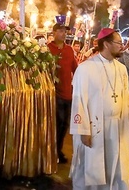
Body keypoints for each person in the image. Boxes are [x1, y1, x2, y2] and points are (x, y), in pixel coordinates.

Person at [69, 28, 129, 189]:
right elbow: (79, 101)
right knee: (93, 167)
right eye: (118, 43)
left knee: (115, 166)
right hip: (95, 127)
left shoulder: (121, 69)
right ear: (106, 44)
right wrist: (83, 131)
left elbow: (126, 99)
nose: (122, 46)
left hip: (116, 127)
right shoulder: (85, 68)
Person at [48, 23, 78, 163]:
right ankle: (52, 151)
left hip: (68, 93)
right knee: (56, 123)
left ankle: (57, 150)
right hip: (54, 93)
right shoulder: (47, 49)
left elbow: (75, 69)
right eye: (60, 31)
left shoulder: (69, 50)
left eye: (64, 31)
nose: (63, 34)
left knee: (65, 124)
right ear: (53, 32)